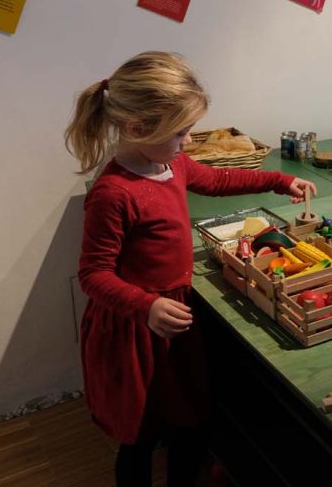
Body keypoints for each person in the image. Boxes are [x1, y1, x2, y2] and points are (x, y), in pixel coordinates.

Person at [64, 51, 317, 486]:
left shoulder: (171, 162)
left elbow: (218, 181)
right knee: (140, 435)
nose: (187, 142)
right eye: (180, 132)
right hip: (136, 328)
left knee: (189, 420)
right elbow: (93, 274)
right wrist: (145, 307)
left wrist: (279, 181)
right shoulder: (114, 194)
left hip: (175, 317)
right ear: (138, 127)